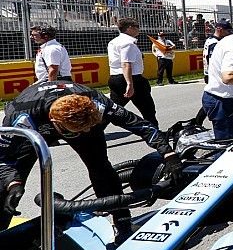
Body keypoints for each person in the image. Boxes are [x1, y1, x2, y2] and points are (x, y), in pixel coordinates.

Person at [0, 81, 180, 238]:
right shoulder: (20, 114)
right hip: (36, 123)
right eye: (75, 131)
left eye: (85, 128)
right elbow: (4, 158)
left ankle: (122, 222)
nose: (81, 133)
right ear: (54, 121)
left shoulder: (97, 102)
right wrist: (12, 183)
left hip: (72, 117)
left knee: (100, 167)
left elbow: (141, 125)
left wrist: (168, 155)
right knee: (10, 186)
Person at [107, 17, 158, 127]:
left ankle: (93, 133)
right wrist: (130, 84)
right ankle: (155, 132)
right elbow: (126, 64)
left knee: (111, 110)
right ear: (129, 28)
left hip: (116, 78)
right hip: (131, 78)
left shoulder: (114, 42)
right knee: (148, 108)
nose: (139, 29)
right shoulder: (128, 43)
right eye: (137, 27)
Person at [194, 19, 233, 125]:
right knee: (217, 99)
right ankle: (201, 121)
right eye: (227, 31)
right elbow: (214, 62)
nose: (229, 34)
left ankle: (198, 121)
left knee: (216, 98)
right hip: (212, 75)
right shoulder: (214, 43)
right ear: (219, 29)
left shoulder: (212, 40)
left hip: (209, 74)